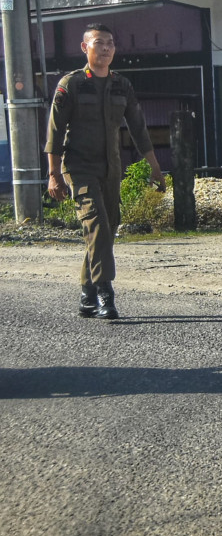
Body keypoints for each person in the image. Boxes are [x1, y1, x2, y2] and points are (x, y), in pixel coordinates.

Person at [45, 22, 165, 320]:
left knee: (108, 228)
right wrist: (53, 174)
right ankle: (104, 293)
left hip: (111, 168)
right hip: (79, 166)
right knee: (97, 224)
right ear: (85, 48)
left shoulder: (121, 85)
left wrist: (154, 166)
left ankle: (86, 293)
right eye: (100, 42)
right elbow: (55, 132)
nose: (107, 48)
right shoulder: (71, 84)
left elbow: (138, 127)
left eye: (111, 42)